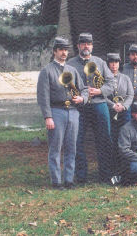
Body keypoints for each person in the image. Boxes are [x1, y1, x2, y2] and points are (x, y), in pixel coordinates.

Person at [37, 37, 87, 189]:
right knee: (56, 147)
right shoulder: (47, 71)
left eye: (66, 50)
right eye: (61, 50)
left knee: (72, 147)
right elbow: (43, 96)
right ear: (55, 52)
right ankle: (56, 181)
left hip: (73, 112)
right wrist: (48, 117)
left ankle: (69, 180)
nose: (64, 53)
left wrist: (82, 98)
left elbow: (83, 89)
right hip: (56, 111)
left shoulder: (72, 70)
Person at [67, 33, 116, 184]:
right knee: (77, 141)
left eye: (89, 43)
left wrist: (99, 91)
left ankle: (105, 175)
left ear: (92, 46)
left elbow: (112, 83)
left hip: (99, 105)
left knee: (104, 141)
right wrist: (74, 96)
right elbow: (66, 86)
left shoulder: (100, 62)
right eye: (83, 43)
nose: (86, 46)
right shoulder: (70, 64)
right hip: (79, 108)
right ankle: (81, 176)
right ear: (78, 46)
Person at [105, 52, 134, 181]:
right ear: (108, 64)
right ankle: (112, 171)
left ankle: (125, 171)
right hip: (110, 113)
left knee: (125, 141)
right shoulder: (104, 79)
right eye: (111, 62)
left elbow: (130, 95)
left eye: (116, 62)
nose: (114, 65)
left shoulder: (126, 78)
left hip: (124, 113)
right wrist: (112, 105)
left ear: (119, 63)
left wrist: (124, 106)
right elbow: (102, 95)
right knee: (111, 141)